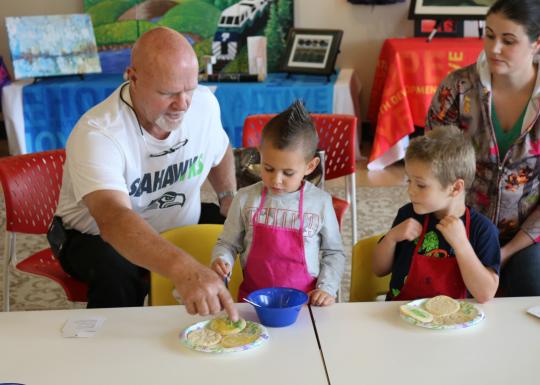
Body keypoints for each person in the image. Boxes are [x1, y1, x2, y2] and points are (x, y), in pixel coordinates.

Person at [48, 27, 238, 320]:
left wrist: (227, 198)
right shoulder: (98, 132)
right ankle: (115, 353)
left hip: (174, 220)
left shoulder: (202, 103)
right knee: (118, 270)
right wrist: (184, 269)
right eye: (168, 93)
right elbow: (113, 220)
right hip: (94, 235)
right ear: (132, 77)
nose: (183, 104)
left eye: (189, 89)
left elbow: (220, 148)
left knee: (249, 229)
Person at [426, 0, 540, 297]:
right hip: (458, 222)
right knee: (432, 292)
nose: (494, 48)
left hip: (526, 237)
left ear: (536, 44)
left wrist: (507, 251)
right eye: (489, 35)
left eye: (508, 40)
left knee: (529, 293)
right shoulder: (458, 87)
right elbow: (430, 165)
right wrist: (457, 231)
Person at [210, 101, 345, 306]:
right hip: (253, 302)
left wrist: (326, 288)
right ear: (260, 154)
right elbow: (227, 243)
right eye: (268, 168)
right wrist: (222, 260)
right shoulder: (245, 199)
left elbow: (334, 252)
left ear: (310, 166)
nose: (276, 180)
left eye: (288, 173)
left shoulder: (321, 203)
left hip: (306, 304)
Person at [372, 126, 500, 303]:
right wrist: (391, 238)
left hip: (454, 324)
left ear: (455, 188)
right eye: (409, 181)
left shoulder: (483, 230)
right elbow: (378, 269)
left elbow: (485, 294)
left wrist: (462, 245)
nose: (410, 190)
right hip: (400, 316)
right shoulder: (408, 214)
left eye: (421, 185)